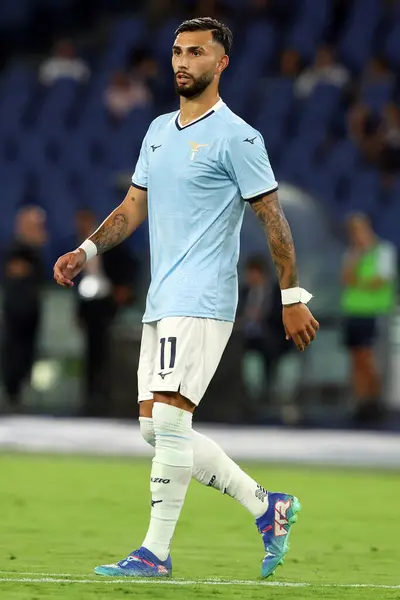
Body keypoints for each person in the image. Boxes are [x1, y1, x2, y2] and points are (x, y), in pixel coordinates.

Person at [54, 17, 319, 579]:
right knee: (154, 429)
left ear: (221, 64)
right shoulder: (156, 130)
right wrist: (86, 250)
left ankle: (153, 553)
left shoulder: (239, 137)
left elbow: (273, 219)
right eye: (177, 51)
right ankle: (266, 506)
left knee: (171, 425)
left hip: (202, 297)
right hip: (161, 297)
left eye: (196, 53)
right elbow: (131, 207)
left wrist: (291, 295)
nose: (182, 61)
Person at [74, 209, 137, 417]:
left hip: (107, 301)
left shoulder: (106, 242)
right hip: (88, 304)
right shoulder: (75, 245)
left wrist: (122, 288)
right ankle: (92, 394)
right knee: (92, 350)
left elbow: (127, 262)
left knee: (107, 350)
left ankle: (108, 393)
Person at [341, 213, 397, 426]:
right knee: (356, 359)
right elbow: (346, 278)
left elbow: (379, 281)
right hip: (353, 312)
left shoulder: (384, 251)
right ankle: (360, 402)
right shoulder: (351, 253)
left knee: (371, 360)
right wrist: (357, 257)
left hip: (375, 313)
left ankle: (375, 402)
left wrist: (358, 280)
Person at [1, 206, 47, 413]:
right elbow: (16, 271)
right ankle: (12, 392)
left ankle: (21, 389)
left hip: (31, 307)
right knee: (14, 350)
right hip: (16, 308)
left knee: (28, 350)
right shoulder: (15, 248)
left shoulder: (35, 252)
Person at [240, 255, 292, 404]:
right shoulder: (244, 292)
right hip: (251, 344)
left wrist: (262, 316)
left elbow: (280, 317)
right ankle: (254, 402)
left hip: (276, 343)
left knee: (284, 376)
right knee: (252, 372)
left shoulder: (277, 293)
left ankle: (278, 402)